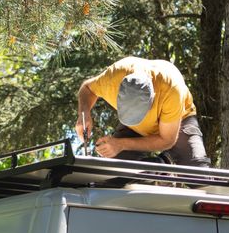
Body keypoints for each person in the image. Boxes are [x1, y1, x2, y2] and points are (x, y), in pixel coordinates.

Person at [75, 56, 210, 167]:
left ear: (153, 98)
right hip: (134, 129)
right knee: (114, 171)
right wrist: (84, 113)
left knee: (199, 176)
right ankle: (156, 169)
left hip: (179, 122)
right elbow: (87, 88)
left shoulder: (171, 89)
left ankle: (166, 162)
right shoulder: (114, 77)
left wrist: (120, 144)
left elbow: (167, 140)